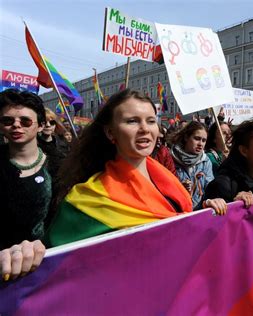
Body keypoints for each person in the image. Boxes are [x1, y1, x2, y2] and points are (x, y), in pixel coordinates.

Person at [0, 89, 226, 281]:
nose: (145, 129)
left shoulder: (168, 180)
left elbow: (180, 228)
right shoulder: (87, 199)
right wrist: (30, 253)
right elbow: (55, 267)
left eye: (150, 120)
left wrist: (204, 211)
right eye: (132, 121)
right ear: (110, 132)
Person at [0, 89, 53, 251]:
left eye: (25, 121)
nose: (16, 125)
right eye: (8, 121)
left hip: (50, 257)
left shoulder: (62, 166)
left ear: (40, 126)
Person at [171, 121, 214, 209]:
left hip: (199, 212)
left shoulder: (205, 161)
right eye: (197, 138)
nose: (200, 144)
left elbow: (210, 188)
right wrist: (180, 187)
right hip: (177, 211)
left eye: (204, 140)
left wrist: (207, 202)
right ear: (186, 137)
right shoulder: (170, 158)